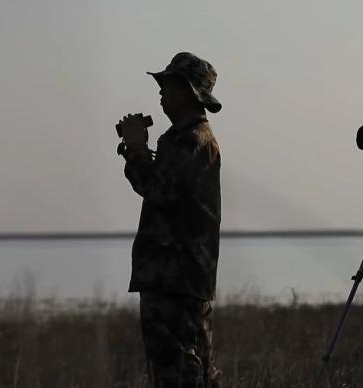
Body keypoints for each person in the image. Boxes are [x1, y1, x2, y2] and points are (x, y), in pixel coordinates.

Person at [117, 52, 223, 388]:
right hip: (176, 275)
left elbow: (157, 189)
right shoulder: (182, 138)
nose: (161, 92)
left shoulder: (192, 140)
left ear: (190, 92)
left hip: (176, 278)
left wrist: (135, 149)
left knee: (178, 369)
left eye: (169, 85)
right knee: (187, 365)